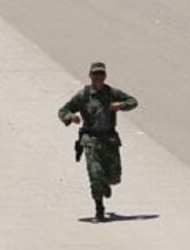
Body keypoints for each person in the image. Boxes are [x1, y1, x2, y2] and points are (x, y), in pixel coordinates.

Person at [58, 62, 138, 221]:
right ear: (90, 76)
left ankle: (105, 184)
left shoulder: (111, 93)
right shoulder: (84, 95)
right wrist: (71, 117)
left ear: (105, 76)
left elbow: (133, 102)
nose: (98, 78)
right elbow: (63, 110)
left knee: (114, 177)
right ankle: (99, 208)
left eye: (101, 74)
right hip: (91, 139)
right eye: (95, 74)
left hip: (109, 139)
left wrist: (120, 105)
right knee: (95, 174)